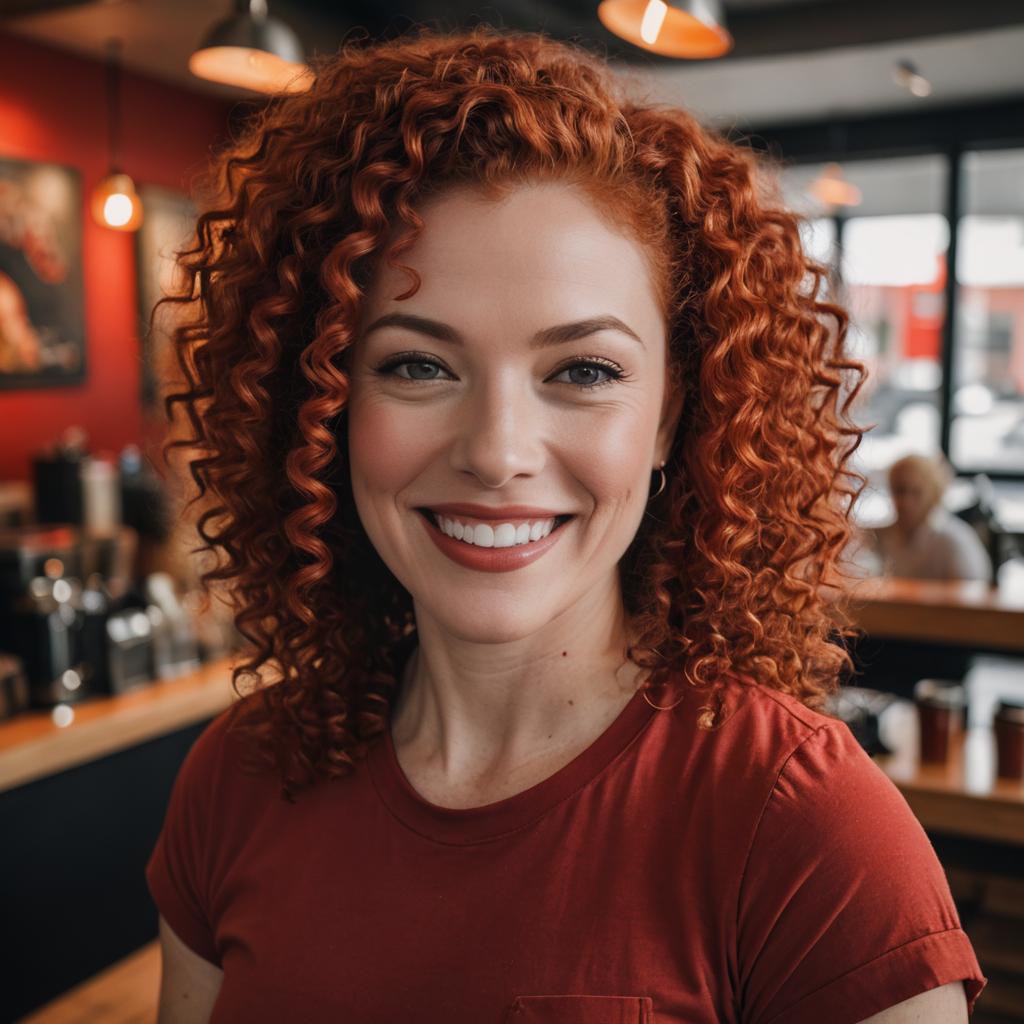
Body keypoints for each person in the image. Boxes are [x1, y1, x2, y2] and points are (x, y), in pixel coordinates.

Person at [145, 26, 986, 1023]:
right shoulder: (237, 777)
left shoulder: (806, 830)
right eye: (417, 364)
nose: (498, 450)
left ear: (674, 413)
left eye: (582, 371)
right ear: (323, 407)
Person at [873, 454, 992, 582]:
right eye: (899, 490)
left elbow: (972, 597)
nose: (905, 502)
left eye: (916, 492)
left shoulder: (955, 540)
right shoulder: (880, 536)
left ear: (934, 493)